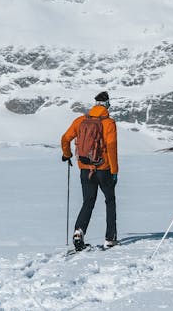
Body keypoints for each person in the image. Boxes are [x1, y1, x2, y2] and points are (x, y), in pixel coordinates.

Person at [60, 91, 119, 250]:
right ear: (107, 104)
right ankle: (110, 238)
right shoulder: (108, 123)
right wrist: (114, 171)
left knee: (88, 202)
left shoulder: (80, 121)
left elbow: (65, 138)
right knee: (110, 201)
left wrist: (67, 154)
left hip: (85, 169)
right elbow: (112, 146)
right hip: (104, 169)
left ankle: (79, 232)